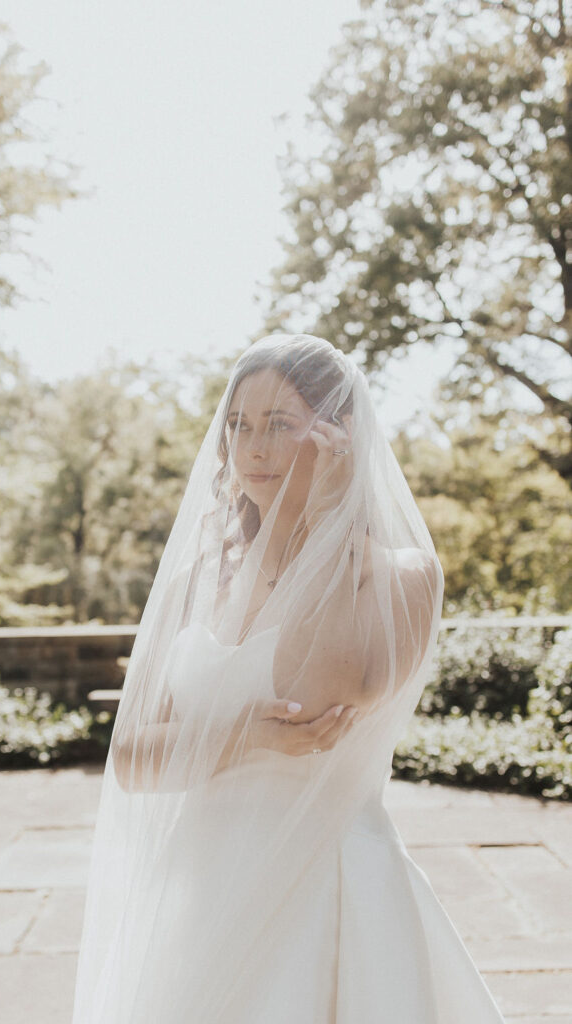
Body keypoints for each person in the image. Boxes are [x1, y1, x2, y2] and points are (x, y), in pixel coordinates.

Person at [71, 334, 506, 1023]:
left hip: (324, 891)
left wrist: (326, 525)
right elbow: (130, 759)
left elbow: (316, 694)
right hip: (198, 890)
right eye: (238, 425)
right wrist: (244, 738)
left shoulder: (398, 574)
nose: (253, 448)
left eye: (279, 423)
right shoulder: (194, 582)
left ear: (341, 435)